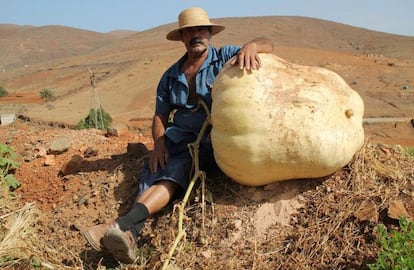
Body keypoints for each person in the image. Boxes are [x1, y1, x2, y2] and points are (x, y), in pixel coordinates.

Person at [81, 6, 273, 264]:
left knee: (176, 171)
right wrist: (159, 143)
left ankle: (118, 226)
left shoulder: (225, 56)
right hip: (177, 138)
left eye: (201, 30)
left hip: (209, 140)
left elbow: (268, 43)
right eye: (189, 31)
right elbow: (160, 116)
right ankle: (129, 234)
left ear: (209, 33)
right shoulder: (170, 76)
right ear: (182, 38)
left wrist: (251, 45)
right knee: (152, 172)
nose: (196, 35)